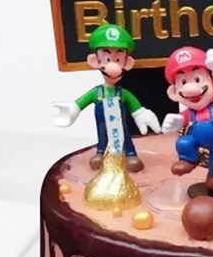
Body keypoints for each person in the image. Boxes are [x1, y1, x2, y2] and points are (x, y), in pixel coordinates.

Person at [52, 24, 160, 172]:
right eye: (107, 59)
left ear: (127, 63)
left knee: (125, 132)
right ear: (95, 61)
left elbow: (134, 105)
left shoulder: (123, 93)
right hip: (101, 121)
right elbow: (80, 103)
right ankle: (100, 152)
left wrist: (140, 113)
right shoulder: (96, 92)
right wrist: (72, 110)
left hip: (120, 122)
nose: (113, 67)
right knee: (102, 133)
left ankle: (130, 154)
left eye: (118, 60)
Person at [162, 46, 213, 191]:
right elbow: (181, 119)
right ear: (174, 92)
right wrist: (176, 122)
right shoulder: (189, 113)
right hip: (195, 139)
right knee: (183, 142)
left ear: (210, 81)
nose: (191, 89)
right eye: (183, 82)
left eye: (197, 79)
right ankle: (189, 159)